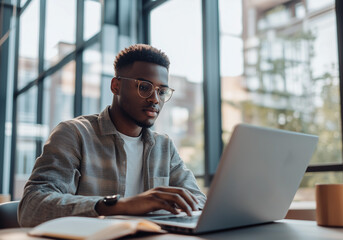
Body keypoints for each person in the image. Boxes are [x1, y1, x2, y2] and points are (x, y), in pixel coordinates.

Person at [18, 44, 206, 227]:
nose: (155, 99)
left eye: (162, 91)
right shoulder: (74, 134)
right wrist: (119, 205)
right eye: (144, 87)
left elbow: (199, 202)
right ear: (116, 86)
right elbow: (32, 206)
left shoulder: (163, 146)